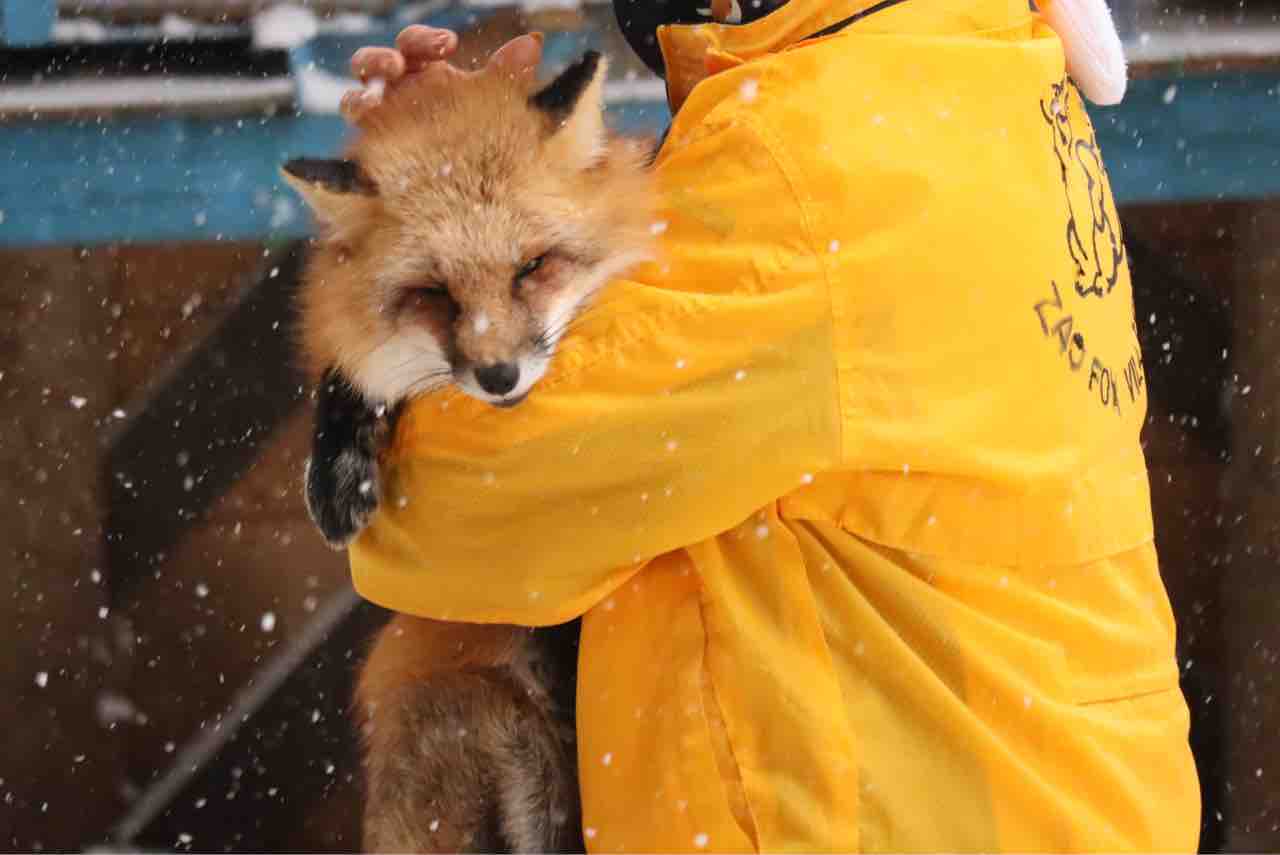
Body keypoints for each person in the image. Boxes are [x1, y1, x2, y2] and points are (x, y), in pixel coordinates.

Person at [337, 0, 1201, 847]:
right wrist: (475, 179)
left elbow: (451, 507)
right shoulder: (963, 62)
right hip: (1036, 795)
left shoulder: (813, 155)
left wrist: (425, 225)